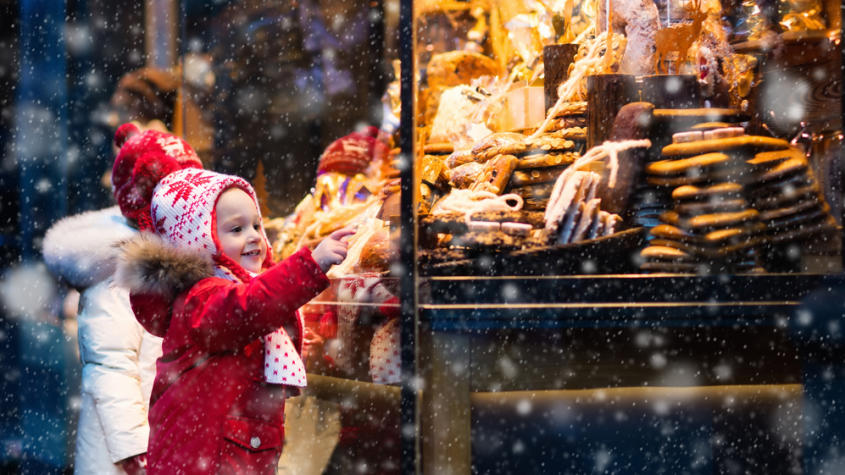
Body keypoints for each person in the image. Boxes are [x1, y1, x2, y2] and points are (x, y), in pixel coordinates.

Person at [111, 122, 351, 474]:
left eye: (256, 225)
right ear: (199, 240)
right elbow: (249, 307)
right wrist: (309, 265)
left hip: (234, 449)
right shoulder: (202, 297)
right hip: (207, 457)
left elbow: (259, 315)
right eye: (236, 229)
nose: (254, 236)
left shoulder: (235, 289)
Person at [42, 127, 203, 474]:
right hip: (127, 453)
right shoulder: (120, 270)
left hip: (167, 438)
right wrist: (134, 450)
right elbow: (110, 367)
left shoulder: (173, 260)